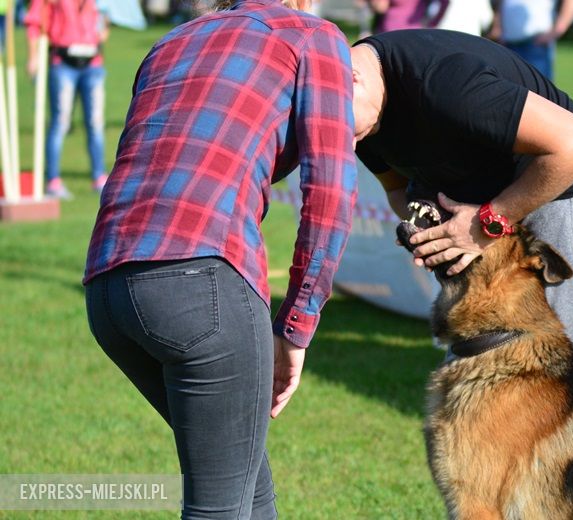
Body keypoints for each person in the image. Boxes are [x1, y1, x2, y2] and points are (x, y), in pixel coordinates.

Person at [83, 0, 356, 517]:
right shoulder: (313, 37)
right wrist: (297, 323)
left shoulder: (172, 41)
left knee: (248, 489)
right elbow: (331, 193)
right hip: (200, 279)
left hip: (107, 283)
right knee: (221, 507)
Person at [351, 29, 573, 390]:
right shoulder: (358, 113)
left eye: (347, 131)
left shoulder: (443, 81)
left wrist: (486, 223)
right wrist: (430, 230)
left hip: (563, 195)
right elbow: (396, 188)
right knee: (478, 382)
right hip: (489, 227)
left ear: (354, 79)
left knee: (565, 395)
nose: (349, 143)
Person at [25, 0, 111, 199]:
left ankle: (99, 177)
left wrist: (104, 27)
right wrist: (33, 56)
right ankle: (53, 181)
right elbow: (33, 22)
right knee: (60, 122)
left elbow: (105, 16)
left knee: (96, 123)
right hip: (63, 62)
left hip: (93, 63)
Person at [489, 0, 573, 80]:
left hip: (535, 44)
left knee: (539, 93)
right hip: (507, 44)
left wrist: (558, 30)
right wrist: (498, 27)